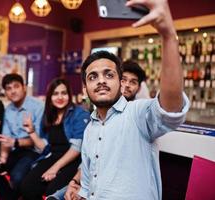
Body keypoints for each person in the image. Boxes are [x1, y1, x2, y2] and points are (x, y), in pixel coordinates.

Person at [78, 0, 190, 199]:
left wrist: (168, 36)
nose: (101, 80)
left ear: (121, 84)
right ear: (85, 89)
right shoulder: (89, 130)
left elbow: (171, 109)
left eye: (109, 74)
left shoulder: (137, 114)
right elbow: (88, 185)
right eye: (92, 77)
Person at [50, 60, 147, 200]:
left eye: (133, 82)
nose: (126, 85)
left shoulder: (139, 115)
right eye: (123, 80)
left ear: (138, 87)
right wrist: (75, 182)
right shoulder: (96, 120)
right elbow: (89, 161)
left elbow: (168, 110)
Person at [20, 78, 90, 199]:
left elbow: (77, 148)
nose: (60, 97)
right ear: (50, 97)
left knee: (52, 192)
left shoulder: (79, 114)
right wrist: (31, 131)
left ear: (69, 95)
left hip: (73, 160)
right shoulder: (48, 115)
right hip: (52, 156)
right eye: (55, 94)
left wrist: (54, 168)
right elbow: (44, 147)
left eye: (64, 93)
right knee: (27, 187)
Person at [0, 73, 44, 200]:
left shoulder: (38, 106)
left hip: (34, 151)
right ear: (5, 92)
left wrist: (15, 142)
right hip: (15, 150)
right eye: (8, 88)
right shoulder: (8, 110)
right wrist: (3, 157)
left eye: (16, 86)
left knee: (17, 177)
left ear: (24, 87)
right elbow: (6, 138)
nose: (12, 91)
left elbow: (37, 140)